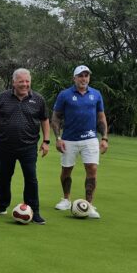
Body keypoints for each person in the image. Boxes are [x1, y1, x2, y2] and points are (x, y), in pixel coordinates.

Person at [0, 68, 51, 224]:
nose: (25, 84)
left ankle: (34, 211)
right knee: (4, 176)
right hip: (5, 145)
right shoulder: (2, 98)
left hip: (28, 146)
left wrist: (46, 141)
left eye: (27, 81)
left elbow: (44, 120)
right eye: (21, 81)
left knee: (31, 179)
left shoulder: (38, 99)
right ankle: (0, 206)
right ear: (14, 82)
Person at [51, 65, 108, 218]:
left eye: (86, 76)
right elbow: (55, 118)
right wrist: (58, 138)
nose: (84, 79)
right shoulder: (65, 95)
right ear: (74, 78)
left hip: (90, 138)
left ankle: (89, 205)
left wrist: (104, 138)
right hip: (69, 139)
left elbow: (101, 117)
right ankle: (66, 199)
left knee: (92, 169)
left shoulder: (96, 94)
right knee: (66, 170)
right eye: (81, 76)